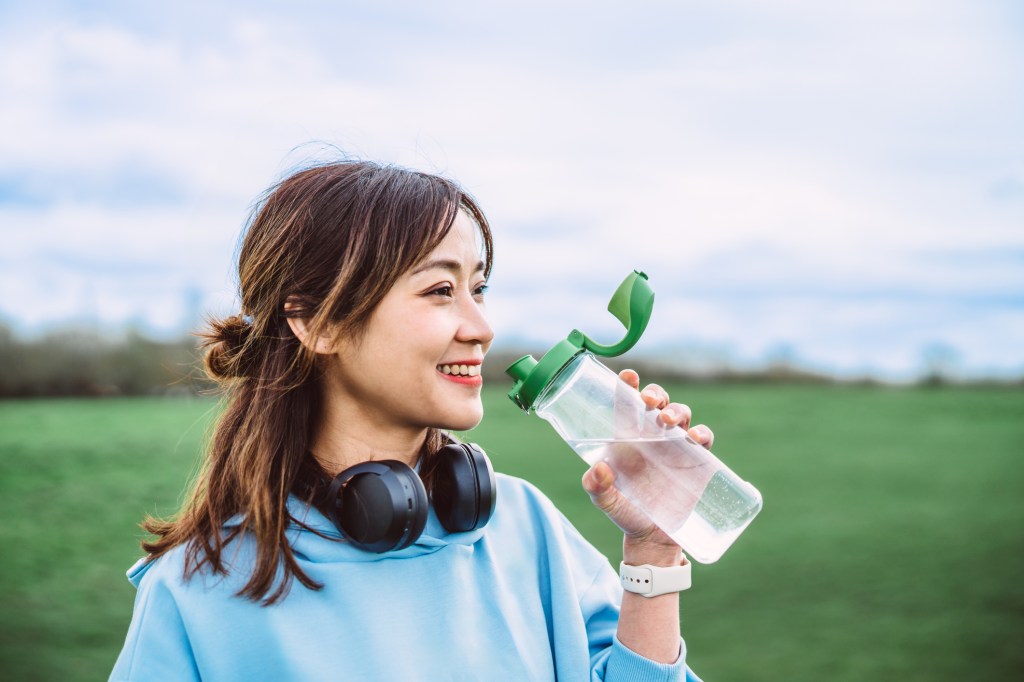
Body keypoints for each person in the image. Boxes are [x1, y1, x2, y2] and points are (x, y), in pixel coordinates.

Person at [109, 160, 710, 681]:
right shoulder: (195, 592)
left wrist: (652, 553)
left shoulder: (528, 530)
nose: (480, 327)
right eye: (440, 290)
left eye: (479, 288)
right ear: (317, 322)